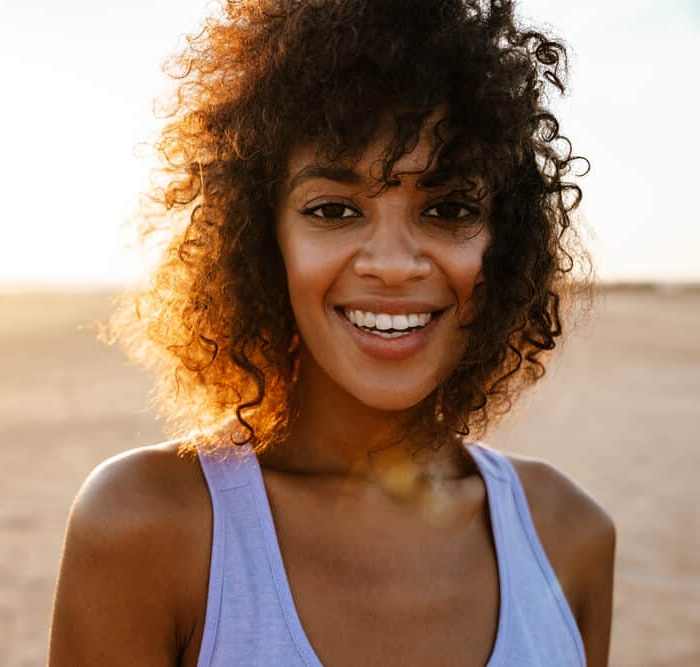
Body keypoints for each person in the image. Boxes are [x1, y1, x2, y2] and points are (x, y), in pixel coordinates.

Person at [48, 0, 615, 664]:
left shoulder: (569, 535)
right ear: (264, 239)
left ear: (505, 239)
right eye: (335, 209)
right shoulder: (146, 527)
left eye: (449, 207)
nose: (394, 264)